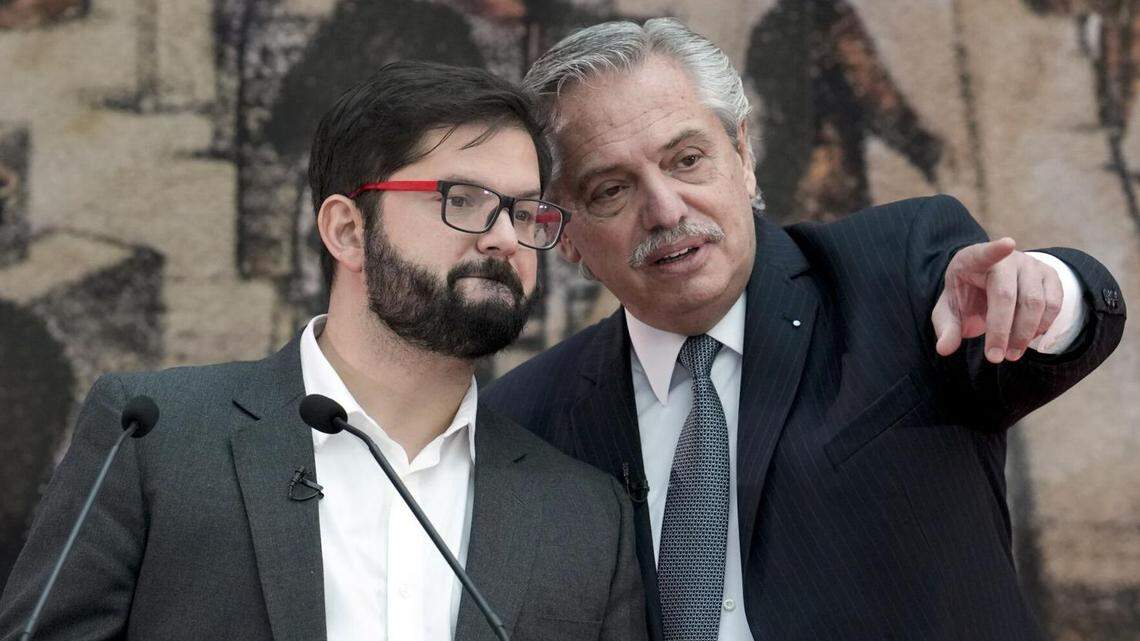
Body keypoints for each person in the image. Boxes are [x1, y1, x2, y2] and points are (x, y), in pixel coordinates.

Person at [483, 18, 1127, 641]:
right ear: (561, 234)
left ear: (743, 154)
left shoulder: (894, 280)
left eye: (686, 160)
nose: (665, 209)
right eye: (611, 190)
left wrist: (1047, 289)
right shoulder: (527, 421)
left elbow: (1072, 325)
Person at [0, 61, 646, 641]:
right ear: (346, 230)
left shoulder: (585, 514)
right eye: (465, 200)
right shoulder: (158, 438)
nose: (506, 238)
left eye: (527, 212)